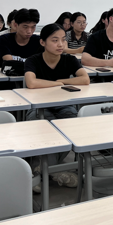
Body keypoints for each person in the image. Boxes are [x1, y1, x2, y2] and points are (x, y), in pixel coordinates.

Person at [24, 23, 90, 189]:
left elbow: (85, 79)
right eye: (55, 40)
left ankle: (43, 171)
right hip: (39, 106)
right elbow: (31, 83)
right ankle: (52, 171)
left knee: (71, 126)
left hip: (63, 105)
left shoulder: (69, 59)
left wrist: (60, 81)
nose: (60, 44)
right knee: (43, 128)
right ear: (42, 42)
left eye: (63, 40)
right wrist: (57, 83)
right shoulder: (33, 60)